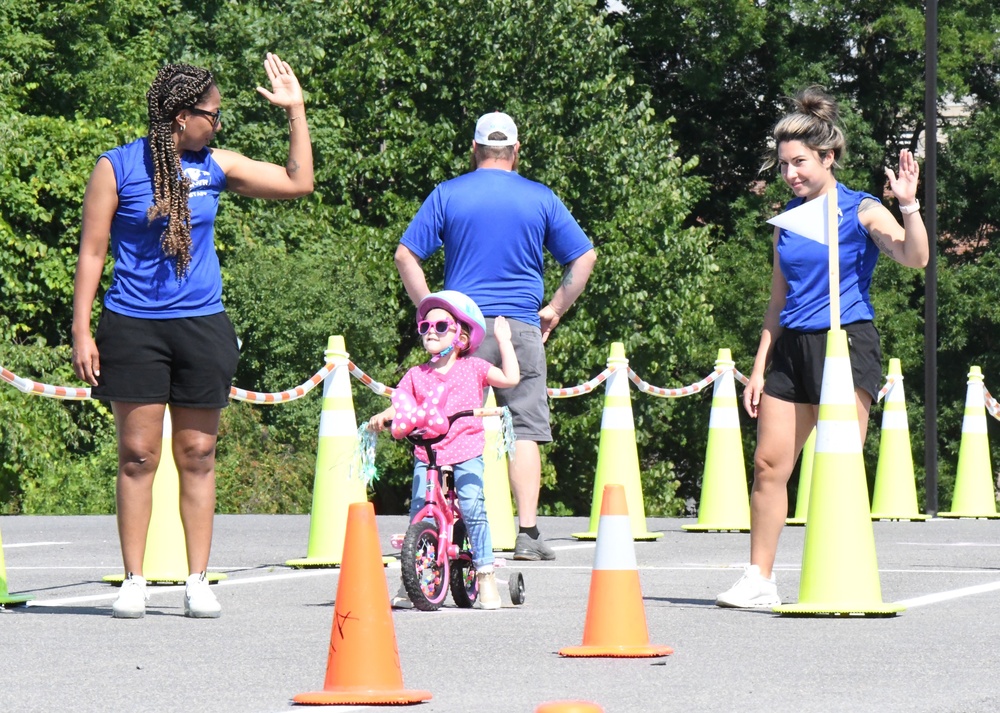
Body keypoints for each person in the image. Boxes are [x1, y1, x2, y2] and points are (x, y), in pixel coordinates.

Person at [71, 53, 314, 619]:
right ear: (181, 116)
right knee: (137, 455)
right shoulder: (118, 167)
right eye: (213, 113)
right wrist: (82, 330)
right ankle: (134, 580)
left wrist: (296, 112)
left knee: (198, 452)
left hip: (202, 325)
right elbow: (92, 251)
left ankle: (197, 579)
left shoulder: (216, 166)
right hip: (133, 325)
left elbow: (298, 182)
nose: (219, 123)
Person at [715, 86, 929, 608]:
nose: (791, 174)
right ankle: (759, 577)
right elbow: (776, 299)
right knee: (769, 463)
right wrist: (760, 367)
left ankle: (838, 568)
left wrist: (909, 205)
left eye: (800, 163)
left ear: (828, 157)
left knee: (839, 465)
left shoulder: (863, 209)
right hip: (791, 347)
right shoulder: (786, 221)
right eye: (784, 164)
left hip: (847, 344)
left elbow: (914, 257)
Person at [395, 112, 597, 561]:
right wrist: (554, 310)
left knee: (445, 424)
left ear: (475, 149)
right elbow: (584, 257)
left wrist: (432, 311)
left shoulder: (449, 194)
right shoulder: (540, 198)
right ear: (516, 152)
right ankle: (527, 533)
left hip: (459, 328)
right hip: (519, 326)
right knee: (522, 427)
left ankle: (439, 521)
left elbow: (405, 254)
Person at [369, 290, 520, 610]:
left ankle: (484, 575)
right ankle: (411, 579)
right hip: (428, 451)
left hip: (465, 447)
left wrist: (504, 341)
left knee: (471, 504)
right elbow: (401, 406)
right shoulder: (415, 375)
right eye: (425, 326)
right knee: (418, 512)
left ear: (460, 335)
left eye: (440, 326)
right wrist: (384, 416)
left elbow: (510, 378)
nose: (430, 332)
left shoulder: (475, 368)